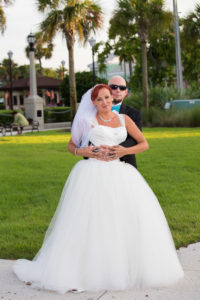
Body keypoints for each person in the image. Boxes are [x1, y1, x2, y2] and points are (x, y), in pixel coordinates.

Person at [13, 84, 184, 294]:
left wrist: (124, 149)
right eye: (100, 99)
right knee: (91, 221)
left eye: (108, 97)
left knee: (122, 221)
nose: (105, 102)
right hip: (91, 174)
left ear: (112, 98)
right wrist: (81, 151)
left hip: (121, 173)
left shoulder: (124, 119)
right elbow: (71, 145)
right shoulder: (87, 120)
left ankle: (122, 267)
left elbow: (144, 144)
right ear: (93, 102)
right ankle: (84, 269)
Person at [108, 76, 142, 168]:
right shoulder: (94, 112)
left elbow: (135, 139)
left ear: (126, 92)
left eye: (122, 88)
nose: (118, 90)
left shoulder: (133, 113)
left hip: (126, 162)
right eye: (114, 87)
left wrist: (113, 150)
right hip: (98, 162)